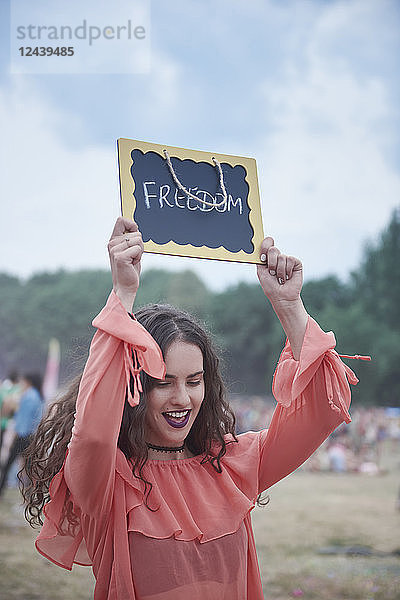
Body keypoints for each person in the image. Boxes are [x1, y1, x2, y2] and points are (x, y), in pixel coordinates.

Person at [21, 217, 363, 600]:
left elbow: (322, 407)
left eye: (194, 381)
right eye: (164, 382)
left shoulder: (230, 465)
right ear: (135, 384)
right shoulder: (107, 481)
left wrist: (289, 307)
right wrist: (122, 295)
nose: (182, 398)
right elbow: (95, 433)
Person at [0, 372, 43, 496]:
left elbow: (23, 421)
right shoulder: (37, 396)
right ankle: (31, 494)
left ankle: (2, 488)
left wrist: (15, 435)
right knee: (28, 467)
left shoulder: (28, 397)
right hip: (31, 437)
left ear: (28, 382)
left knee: (8, 463)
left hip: (23, 436)